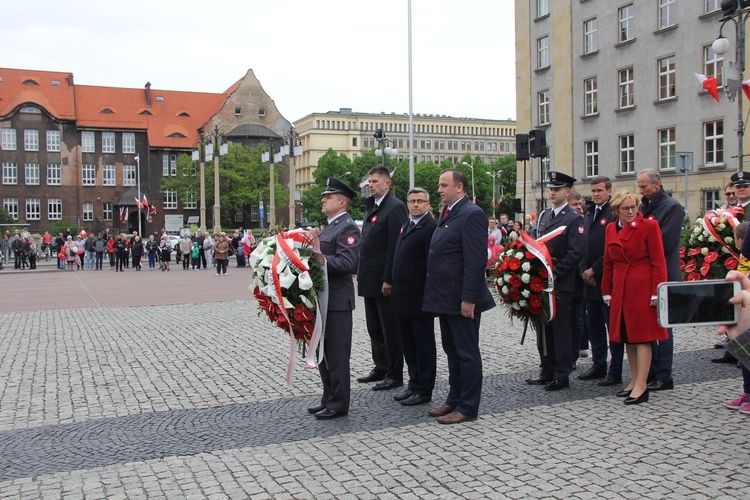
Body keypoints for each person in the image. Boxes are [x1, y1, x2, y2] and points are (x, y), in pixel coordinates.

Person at [423, 169, 495, 424]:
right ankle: (454, 399)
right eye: (439, 185)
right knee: (452, 351)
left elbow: (475, 261)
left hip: (462, 299)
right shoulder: (448, 212)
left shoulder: (472, 213)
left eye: (444, 185)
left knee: (467, 353)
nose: (440, 190)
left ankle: (468, 407)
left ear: (460, 187)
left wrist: (469, 298)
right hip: (445, 297)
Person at [602, 190, 668, 405]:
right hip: (621, 286)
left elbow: (658, 260)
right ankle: (634, 380)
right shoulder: (611, 228)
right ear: (616, 211)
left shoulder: (649, 226)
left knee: (642, 336)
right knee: (626, 335)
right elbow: (608, 263)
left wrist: (656, 291)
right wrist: (606, 290)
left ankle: (642, 384)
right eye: (626, 208)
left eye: (633, 207)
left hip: (642, 285)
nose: (631, 212)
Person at [526, 171, 585, 391]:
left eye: (557, 189)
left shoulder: (574, 218)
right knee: (544, 329)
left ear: (567, 192)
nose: (552, 192)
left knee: (561, 329)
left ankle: (562, 373)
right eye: (551, 189)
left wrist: (553, 273)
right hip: (542, 282)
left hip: (561, 283)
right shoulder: (544, 216)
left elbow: (575, 252)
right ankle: (547, 369)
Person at [308, 177, 361, 420]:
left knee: (337, 356)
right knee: (324, 354)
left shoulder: (347, 227)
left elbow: (348, 263)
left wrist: (315, 258)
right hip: (323, 301)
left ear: (342, 202)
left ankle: (339, 403)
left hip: (338, 303)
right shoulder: (329, 226)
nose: (323, 199)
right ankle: (328, 397)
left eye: (328, 197)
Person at [356, 166, 408, 391]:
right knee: (374, 327)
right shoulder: (372, 207)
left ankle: (395, 372)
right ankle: (381, 365)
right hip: (370, 278)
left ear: (387, 184)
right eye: (369, 181)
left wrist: (389, 278)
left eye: (375, 181)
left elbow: (395, 247)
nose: (370, 185)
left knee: (390, 329)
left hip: (384, 281)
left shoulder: (395, 207)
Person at [390, 188, 438, 407]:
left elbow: (432, 265)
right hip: (402, 297)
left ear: (428, 204)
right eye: (412, 201)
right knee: (408, 344)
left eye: (420, 201)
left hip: (420, 298)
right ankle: (413, 383)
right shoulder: (406, 225)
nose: (415, 205)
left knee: (423, 345)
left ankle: (424, 388)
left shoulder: (431, 227)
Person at [637, 169, 683, 391]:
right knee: (648, 325)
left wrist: (637, 249)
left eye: (644, 186)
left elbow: (665, 244)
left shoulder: (672, 207)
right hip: (646, 273)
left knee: (664, 326)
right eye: (639, 186)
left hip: (665, 274)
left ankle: (665, 375)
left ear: (657, 184)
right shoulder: (643, 206)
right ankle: (651, 370)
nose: (641, 190)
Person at [578, 176, 622, 386]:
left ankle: (615, 369)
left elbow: (613, 247)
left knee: (611, 326)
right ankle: (598, 364)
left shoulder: (613, 214)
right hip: (589, 281)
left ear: (609, 191)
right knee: (594, 326)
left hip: (606, 278)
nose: (595, 194)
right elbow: (583, 244)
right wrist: (584, 270)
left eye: (599, 190)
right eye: (593, 191)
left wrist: (594, 270)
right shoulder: (589, 213)